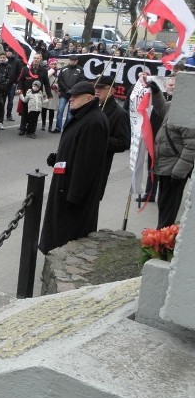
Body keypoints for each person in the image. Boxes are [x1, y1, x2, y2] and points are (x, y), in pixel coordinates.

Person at [39, 81, 109, 254]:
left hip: (72, 192)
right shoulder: (82, 117)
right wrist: (59, 158)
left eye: (75, 96)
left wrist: (75, 195)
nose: (71, 99)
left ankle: (59, 267)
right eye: (70, 95)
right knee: (58, 231)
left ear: (88, 98)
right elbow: (75, 150)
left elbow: (87, 163)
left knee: (67, 234)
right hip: (65, 184)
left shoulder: (93, 122)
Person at [148, 76, 194, 228]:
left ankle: (162, 242)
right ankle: (159, 239)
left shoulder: (188, 113)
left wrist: (178, 172)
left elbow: (191, 146)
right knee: (164, 204)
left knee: (168, 208)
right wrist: (155, 92)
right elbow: (161, 107)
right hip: (166, 166)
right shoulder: (174, 106)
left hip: (174, 170)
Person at [94, 76, 131, 199]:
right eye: (96, 88)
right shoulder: (92, 107)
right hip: (81, 163)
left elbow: (123, 143)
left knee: (91, 203)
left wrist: (100, 140)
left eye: (102, 88)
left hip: (99, 166)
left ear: (112, 90)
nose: (97, 91)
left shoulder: (119, 114)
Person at [53, 54, 84, 132]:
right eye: (71, 60)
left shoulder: (80, 69)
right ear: (69, 60)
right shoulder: (63, 69)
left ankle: (66, 128)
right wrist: (66, 89)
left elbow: (81, 81)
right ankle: (58, 128)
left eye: (74, 60)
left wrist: (73, 90)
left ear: (77, 61)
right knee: (60, 110)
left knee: (70, 113)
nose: (73, 62)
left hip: (74, 94)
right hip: (64, 93)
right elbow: (60, 80)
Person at [41, 58, 59, 131]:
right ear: (49, 64)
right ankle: (43, 124)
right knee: (44, 109)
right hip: (45, 92)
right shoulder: (46, 71)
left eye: (55, 64)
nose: (54, 65)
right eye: (52, 64)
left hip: (53, 93)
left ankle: (50, 126)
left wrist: (56, 86)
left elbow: (59, 83)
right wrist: (51, 71)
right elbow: (43, 79)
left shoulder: (58, 73)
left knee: (51, 110)